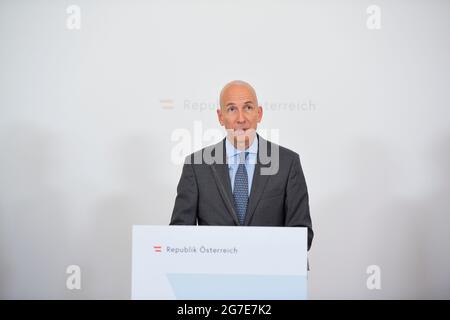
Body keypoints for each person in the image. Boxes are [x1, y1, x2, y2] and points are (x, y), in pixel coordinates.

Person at [170, 80, 314, 250]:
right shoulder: (196, 166)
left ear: (259, 113)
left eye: (248, 108)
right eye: (231, 109)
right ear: (220, 117)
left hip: (269, 272)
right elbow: (179, 236)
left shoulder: (288, 163)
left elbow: (302, 235)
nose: (240, 119)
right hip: (214, 273)